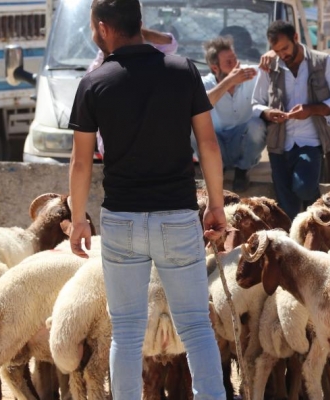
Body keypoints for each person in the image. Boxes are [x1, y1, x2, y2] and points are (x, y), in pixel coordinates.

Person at [66, 1, 227, 399]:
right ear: (140, 23)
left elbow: (81, 161)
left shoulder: (94, 82)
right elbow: (207, 143)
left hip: (121, 219)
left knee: (126, 330)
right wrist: (217, 205)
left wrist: (78, 217)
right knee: (194, 326)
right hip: (177, 215)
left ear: (103, 28)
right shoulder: (183, 71)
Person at [252, 20, 330, 219]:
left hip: (311, 142)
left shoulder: (322, 62)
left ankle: (317, 209)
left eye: (285, 48)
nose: (282, 55)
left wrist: (311, 109)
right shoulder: (270, 66)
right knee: (287, 208)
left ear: (296, 38)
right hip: (279, 143)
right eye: (276, 51)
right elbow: (255, 103)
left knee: (304, 188)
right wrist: (268, 113)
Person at [88, 27, 178, 157]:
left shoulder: (149, 58)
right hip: (117, 155)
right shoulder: (100, 67)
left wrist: (138, 30)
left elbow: (170, 43)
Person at [197, 36, 265, 192]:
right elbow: (200, 104)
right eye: (228, 63)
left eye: (235, 59)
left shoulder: (249, 74)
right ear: (215, 68)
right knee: (193, 127)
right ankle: (215, 170)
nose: (235, 65)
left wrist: (271, 56)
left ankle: (243, 170)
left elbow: (271, 66)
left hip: (241, 144)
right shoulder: (205, 82)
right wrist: (230, 81)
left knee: (257, 125)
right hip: (215, 145)